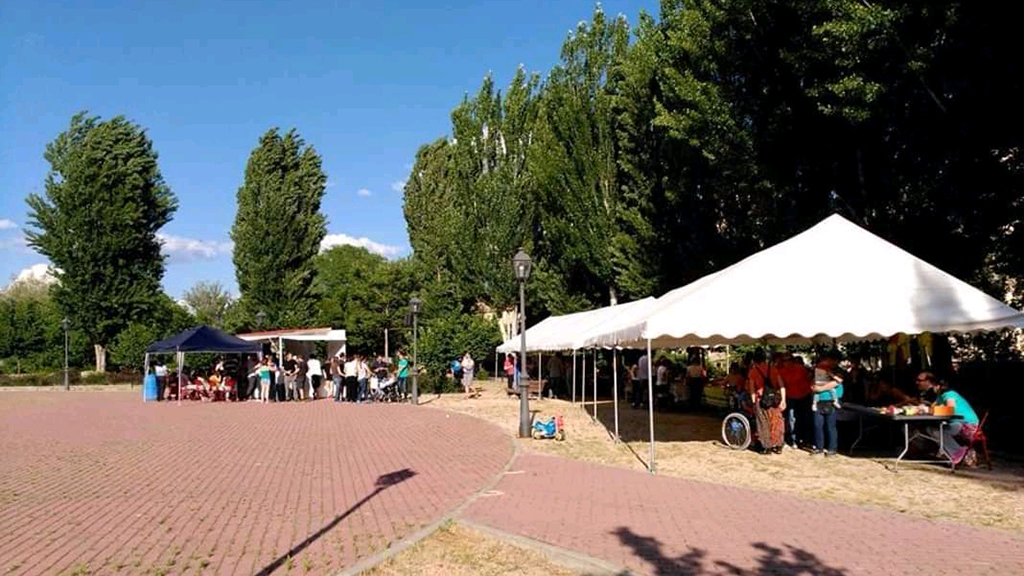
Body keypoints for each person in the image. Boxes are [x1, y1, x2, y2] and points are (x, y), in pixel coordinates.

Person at [919, 372, 980, 465]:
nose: (933, 389)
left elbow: (950, 409)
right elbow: (934, 408)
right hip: (957, 423)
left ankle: (957, 452)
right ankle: (954, 452)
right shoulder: (940, 397)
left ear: (938, 386)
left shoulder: (949, 394)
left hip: (967, 424)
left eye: (934, 387)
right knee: (931, 429)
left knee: (937, 431)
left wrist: (929, 410)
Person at [748, 349, 785, 454]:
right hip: (774, 399)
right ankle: (779, 444)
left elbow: (752, 389)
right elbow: (781, 384)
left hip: (761, 400)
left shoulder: (753, 372)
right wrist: (783, 399)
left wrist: (753, 402)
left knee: (763, 423)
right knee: (777, 421)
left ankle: (767, 446)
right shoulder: (773, 369)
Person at [811, 352, 844, 456]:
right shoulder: (818, 370)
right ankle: (819, 447)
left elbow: (837, 382)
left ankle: (832, 448)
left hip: (831, 400)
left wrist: (821, 388)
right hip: (819, 400)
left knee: (830, 426)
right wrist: (815, 388)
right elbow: (813, 384)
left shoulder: (837, 371)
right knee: (818, 425)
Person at [778, 354, 813, 448]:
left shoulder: (801, 369)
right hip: (791, 397)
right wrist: (783, 400)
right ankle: (794, 440)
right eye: (784, 361)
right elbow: (782, 386)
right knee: (792, 419)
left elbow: (810, 378)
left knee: (806, 419)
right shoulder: (781, 372)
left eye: (788, 360)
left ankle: (807, 440)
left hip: (804, 396)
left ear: (792, 361)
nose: (786, 363)